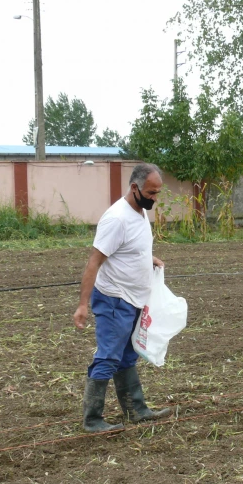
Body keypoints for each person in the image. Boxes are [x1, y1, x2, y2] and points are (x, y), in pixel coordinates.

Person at [73, 162, 171, 432]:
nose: (154, 199)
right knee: (108, 357)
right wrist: (83, 305)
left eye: (157, 194)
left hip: (135, 299)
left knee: (128, 355)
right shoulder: (116, 218)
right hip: (115, 299)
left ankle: (136, 410)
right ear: (134, 187)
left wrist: (146, 258)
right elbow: (94, 262)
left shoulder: (139, 211)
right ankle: (92, 419)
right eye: (151, 193)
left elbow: (128, 247)